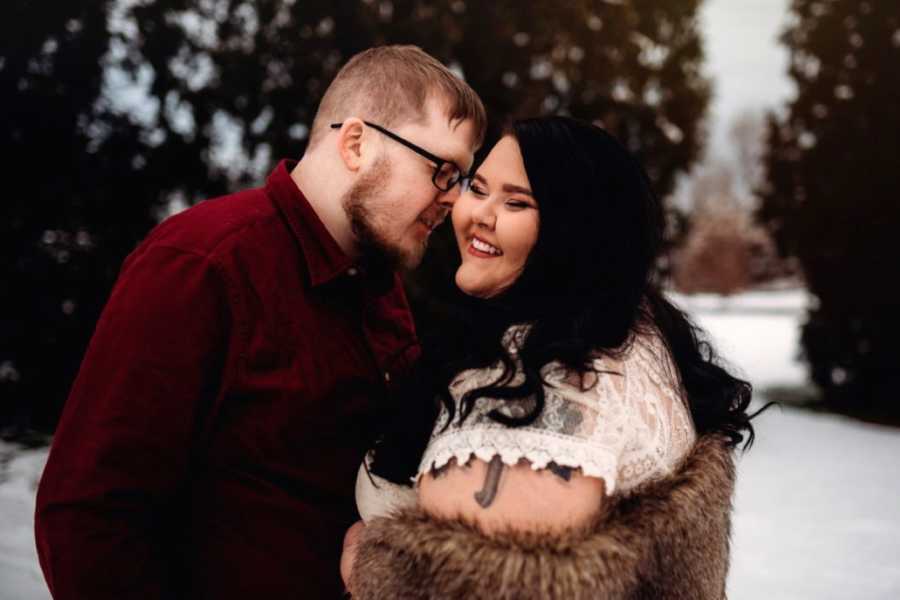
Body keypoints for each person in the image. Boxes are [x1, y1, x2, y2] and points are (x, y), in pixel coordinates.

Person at [34, 45, 486, 600]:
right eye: (442, 170)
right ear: (356, 143)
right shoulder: (203, 264)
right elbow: (86, 516)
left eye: (462, 179)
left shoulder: (377, 284)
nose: (453, 200)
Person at [341, 117, 763, 598]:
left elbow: (474, 585)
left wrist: (364, 562)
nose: (479, 213)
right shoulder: (632, 327)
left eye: (517, 202)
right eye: (477, 188)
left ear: (573, 231)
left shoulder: (548, 384)